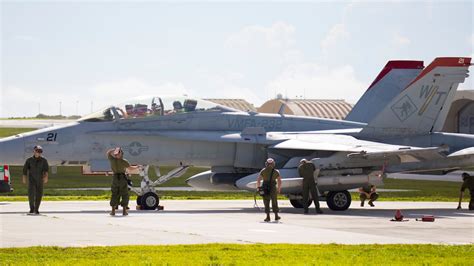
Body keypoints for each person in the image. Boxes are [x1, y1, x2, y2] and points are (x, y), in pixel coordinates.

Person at [106, 147, 139, 216]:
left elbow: (108, 153)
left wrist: (113, 150)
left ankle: (113, 211)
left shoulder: (112, 160)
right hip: (122, 178)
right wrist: (137, 166)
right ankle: (124, 211)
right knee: (124, 194)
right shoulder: (124, 161)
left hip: (115, 178)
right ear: (121, 154)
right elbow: (130, 168)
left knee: (114, 194)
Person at [22, 145, 49, 215]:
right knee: (31, 194)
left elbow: (46, 170)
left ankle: (36, 209)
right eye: (37, 151)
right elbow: (25, 170)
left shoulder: (44, 160)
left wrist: (46, 177)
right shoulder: (29, 160)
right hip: (32, 179)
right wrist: (24, 178)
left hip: (40, 179)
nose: (39, 152)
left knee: (39, 194)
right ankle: (32, 208)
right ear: (34, 151)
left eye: (40, 151)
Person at [256, 158, 282, 222]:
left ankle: (268, 217)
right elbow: (279, 181)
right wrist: (278, 189)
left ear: (266, 164)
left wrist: (258, 188)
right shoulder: (276, 171)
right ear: (273, 164)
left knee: (266, 201)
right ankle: (276, 216)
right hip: (273, 188)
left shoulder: (263, 171)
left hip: (265, 187)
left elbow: (258, 180)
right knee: (274, 201)